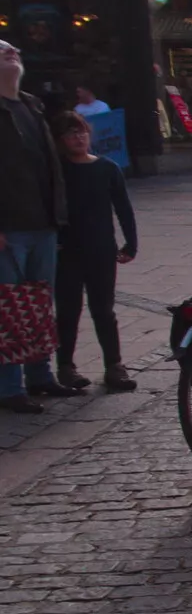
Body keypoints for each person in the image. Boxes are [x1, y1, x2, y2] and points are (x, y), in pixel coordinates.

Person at [0, 39, 74, 413]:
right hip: (9, 226)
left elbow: (50, 168)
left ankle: (41, 375)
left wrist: (58, 219)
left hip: (43, 223)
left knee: (39, 304)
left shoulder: (31, 106)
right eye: (2, 52)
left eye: (14, 51)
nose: (11, 53)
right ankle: (9, 386)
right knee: (9, 308)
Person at [50, 111, 137, 392]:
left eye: (82, 132)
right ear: (61, 140)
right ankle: (66, 366)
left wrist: (131, 243)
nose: (78, 137)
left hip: (101, 249)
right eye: (71, 133)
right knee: (68, 311)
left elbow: (123, 208)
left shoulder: (107, 168)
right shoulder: (57, 171)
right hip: (67, 250)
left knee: (104, 310)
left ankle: (114, 366)